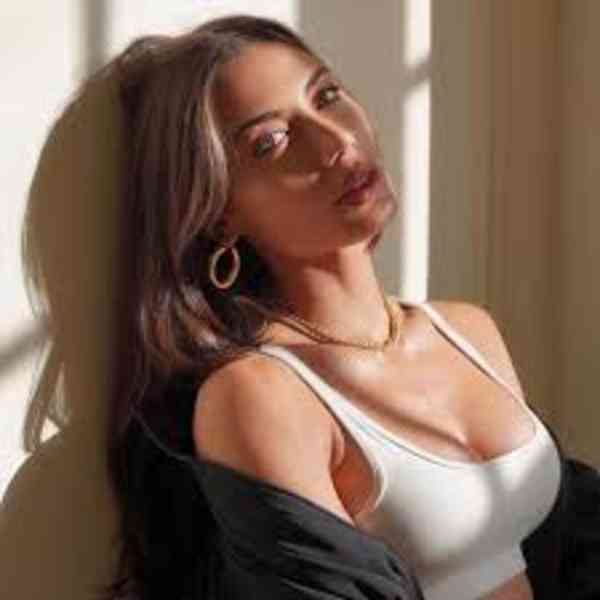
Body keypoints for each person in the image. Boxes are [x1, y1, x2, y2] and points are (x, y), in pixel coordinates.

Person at [98, 13, 593, 600]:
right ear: (220, 211)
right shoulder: (259, 395)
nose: (336, 142)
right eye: (271, 141)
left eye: (327, 96)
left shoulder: (467, 330)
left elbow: (568, 549)